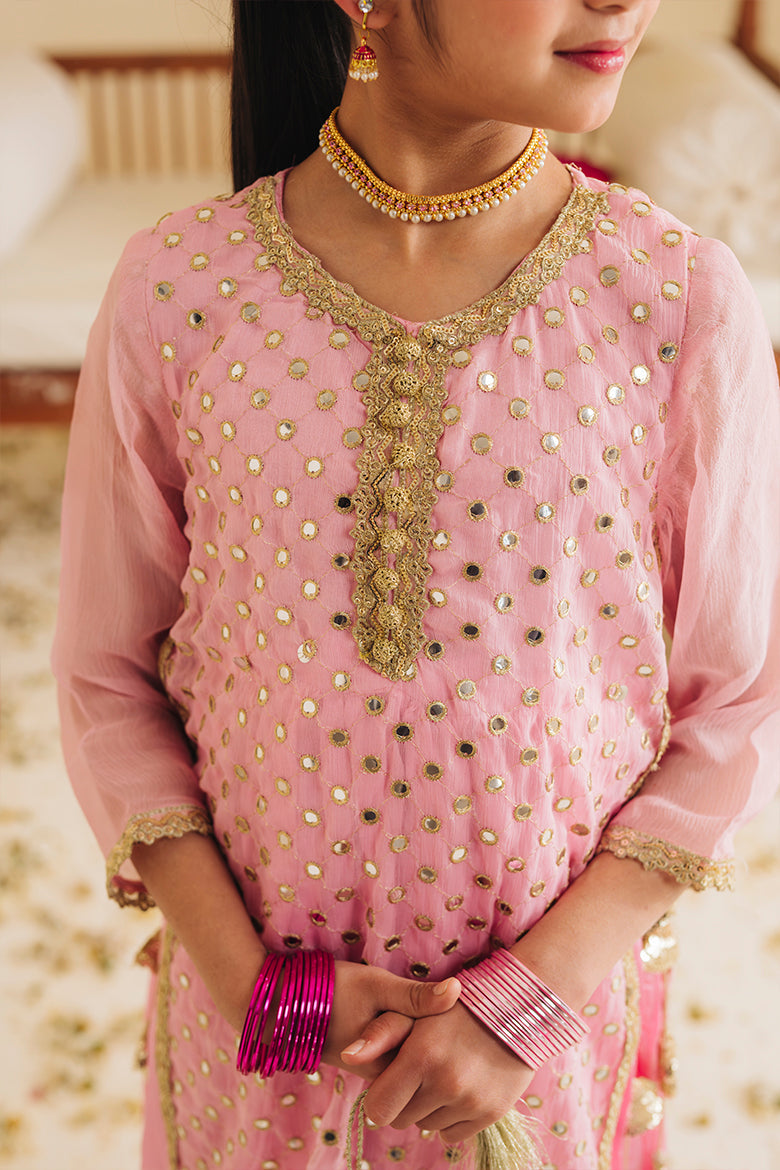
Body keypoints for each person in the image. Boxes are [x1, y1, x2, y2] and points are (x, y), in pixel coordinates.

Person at [52, 1, 780, 1167]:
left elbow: (736, 703)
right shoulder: (179, 289)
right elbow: (105, 674)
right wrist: (258, 993)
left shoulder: (676, 298)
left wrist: (522, 1006)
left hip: (544, 1043)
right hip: (254, 1041)